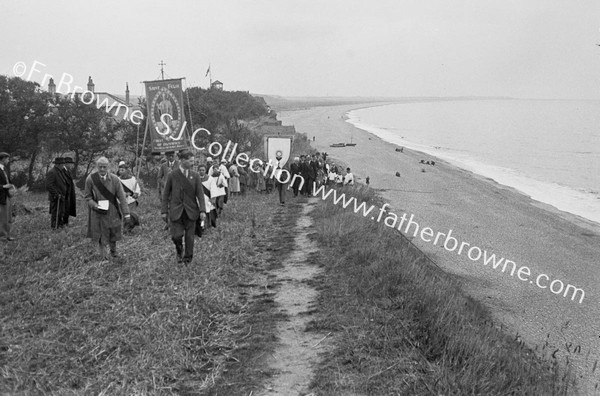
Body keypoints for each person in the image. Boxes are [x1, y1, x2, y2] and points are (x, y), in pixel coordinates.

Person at [161, 149, 207, 265]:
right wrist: (164, 211)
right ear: (182, 160)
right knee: (176, 236)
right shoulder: (172, 175)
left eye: (193, 161)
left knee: (190, 237)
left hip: (191, 211)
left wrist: (202, 210)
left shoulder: (195, 176)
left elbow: (200, 194)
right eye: (191, 161)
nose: (193, 163)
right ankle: (179, 250)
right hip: (176, 211)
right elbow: (166, 194)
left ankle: (187, 259)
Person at [84, 157, 131, 260]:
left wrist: (126, 213)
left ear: (108, 167)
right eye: (100, 167)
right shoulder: (90, 179)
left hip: (112, 210)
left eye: (104, 167)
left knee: (113, 231)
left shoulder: (114, 179)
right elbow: (87, 197)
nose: (102, 169)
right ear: (97, 167)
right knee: (101, 233)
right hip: (98, 212)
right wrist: (94, 205)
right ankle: (104, 256)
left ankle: (113, 252)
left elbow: (122, 197)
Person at [46, 157, 69, 229]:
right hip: (56, 196)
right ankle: (54, 226)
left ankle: (60, 224)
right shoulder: (52, 172)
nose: (64, 165)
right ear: (58, 164)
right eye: (62, 164)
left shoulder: (60, 171)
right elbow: (49, 185)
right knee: (55, 212)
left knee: (61, 211)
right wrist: (56, 194)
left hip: (62, 196)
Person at [118, 161, 141, 232]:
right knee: (125, 215)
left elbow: (137, 188)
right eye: (120, 170)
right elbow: (116, 190)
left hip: (131, 201)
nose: (121, 172)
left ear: (127, 170)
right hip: (122, 201)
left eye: (123, 170)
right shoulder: (117, 180)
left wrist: (136, 194)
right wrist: (123, 194)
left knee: (132, 214)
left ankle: (129, 228)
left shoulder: (133, 179)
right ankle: (125, 229)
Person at [0, 152, 15, 241]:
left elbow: (7, 180)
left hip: (7, 195)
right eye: (7, 159)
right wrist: (3, 186)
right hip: (1, 196)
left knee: (9, 216)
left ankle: (7, 234)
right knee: (3, 217)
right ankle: (2, 236)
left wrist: (11, 186)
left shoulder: (4, 169)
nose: (8, 161)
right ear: (2, 159)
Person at [61, 157, 77, 226]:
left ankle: (66, 222)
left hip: (69, 192)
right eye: (70, 163)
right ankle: (63, 223)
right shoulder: (62, 171)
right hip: (65, 192)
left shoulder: (68, 171)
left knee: (68, 207)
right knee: (64, 208)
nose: (71, 165)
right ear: (66, 164)